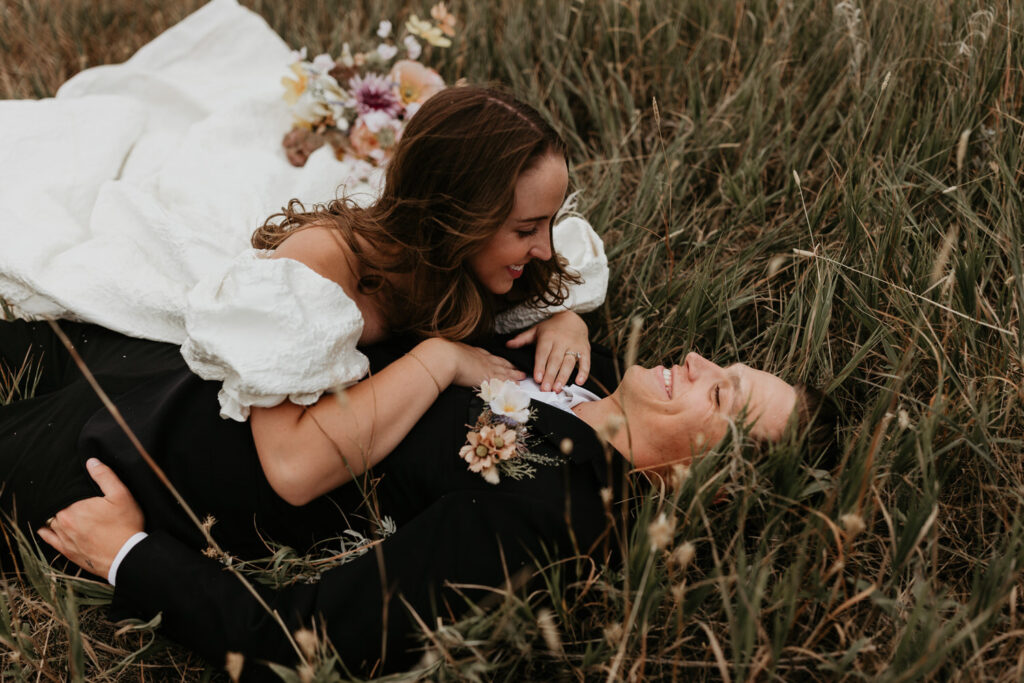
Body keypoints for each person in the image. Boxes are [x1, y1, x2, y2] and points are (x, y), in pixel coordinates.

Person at [35, 334, 835, 679]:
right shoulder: (580, 376)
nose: (695, 360)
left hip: (132, 454)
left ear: (706, 481)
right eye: (723, 363)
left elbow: (309, 644)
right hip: (178, 363)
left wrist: (127, 553)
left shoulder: (554, 510)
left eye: (719, 388)